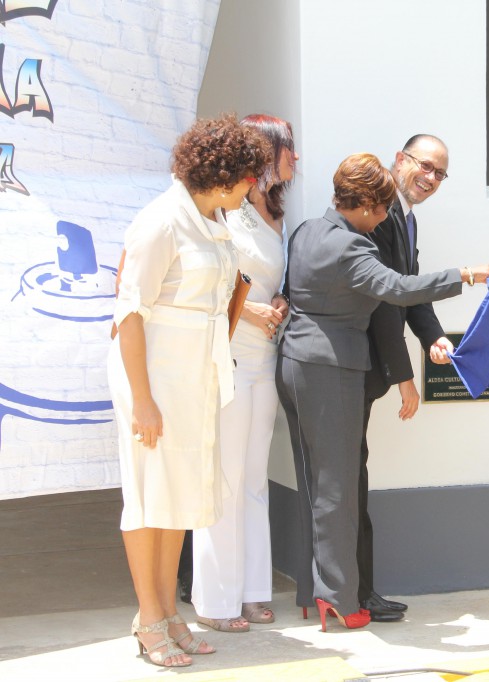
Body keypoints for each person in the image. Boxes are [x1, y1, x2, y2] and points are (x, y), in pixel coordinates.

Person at [276, 153, 489, 631]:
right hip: (331, 370)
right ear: (366, 206)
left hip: (293, 362)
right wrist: (463, 275)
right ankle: (338, 597)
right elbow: (398, 288)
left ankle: (315, 590)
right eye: (381, 209)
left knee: (313, 484)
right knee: (337, 489)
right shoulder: (354, 247)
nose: (383, 219)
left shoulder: (308, 230)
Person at [108, 114, 271, 666]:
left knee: (178, 499)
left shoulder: (212, 220)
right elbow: (128, 313)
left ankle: (169, 614)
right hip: (154, 381)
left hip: (196, 380)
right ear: (226, 176)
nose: (255, 188)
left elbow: (214, 301)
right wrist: (143, 399)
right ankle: (148, 617)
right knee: (148, 498)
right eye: (251, 177)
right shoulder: (160, 222)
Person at [191, 115, 297, 633]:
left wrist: (277, 300)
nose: (295, 160)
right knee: (225, 477)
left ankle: (254, 591)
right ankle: (215, 599)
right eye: (288, 149)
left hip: (266, 355)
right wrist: (251, 310)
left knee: (255, 478)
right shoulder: (225, 208)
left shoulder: (273, 210)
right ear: (266, 151)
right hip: (230, 350)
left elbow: (273, 277)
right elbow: (216, 276)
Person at [357, 135, 452, 623]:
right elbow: (384, 300)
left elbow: (412, 293)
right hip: (351, 366)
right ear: (399, 160)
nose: (431, 178)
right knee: (348, 484)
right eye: (425, 166)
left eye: (440, 173)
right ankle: (355, 593)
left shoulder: (407, 220)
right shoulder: (378, 214)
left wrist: (432, 337)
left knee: (354, 478)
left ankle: (354, 591)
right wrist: (404, 375)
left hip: (368, 370)